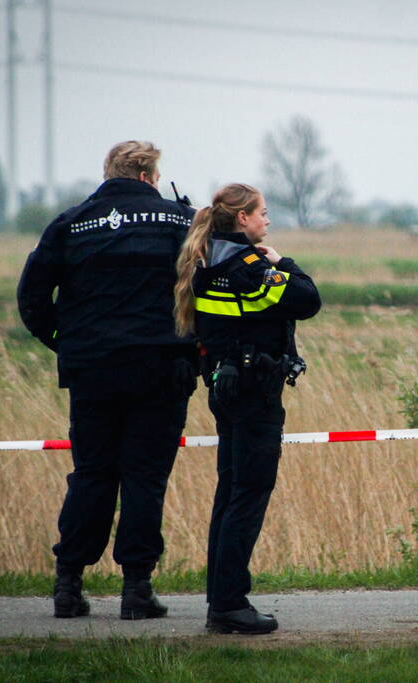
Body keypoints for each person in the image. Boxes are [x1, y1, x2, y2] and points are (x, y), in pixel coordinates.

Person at [17, 141, 197, 620]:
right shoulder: (182, 221)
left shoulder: (71, 223)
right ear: (148, 177)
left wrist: (66, 342)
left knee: (92, 474)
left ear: (110, 173)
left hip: (92, 370)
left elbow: (32, 294)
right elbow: (208, 287)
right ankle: (137, 590)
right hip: (160, 368)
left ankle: (68, 586)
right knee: (144, 477)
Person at [174, 183, 320, 635]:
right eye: (262, 213)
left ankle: (220, 597)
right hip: (255, 391)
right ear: (242, 218)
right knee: (249, 494)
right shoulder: (248, 265)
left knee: (230, 491)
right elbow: (308, 299)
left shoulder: (205, 263)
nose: (267, 221)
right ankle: (230, 604)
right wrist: (284, 263)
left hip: (225, 385)